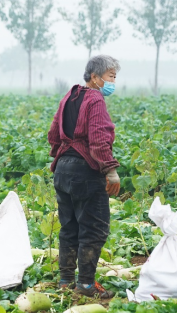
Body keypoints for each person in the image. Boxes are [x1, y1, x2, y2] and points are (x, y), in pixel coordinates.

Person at [47, 55, 121, 298]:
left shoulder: (68, 96)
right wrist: (110, 170)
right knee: (94, 228)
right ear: (95, 77)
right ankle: (86, 285)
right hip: (84, 172)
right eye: (111, 76)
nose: (113, 81)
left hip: (62, 169)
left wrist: (62, 156)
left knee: (69, 228)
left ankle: (66, 281)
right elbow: (99, 138)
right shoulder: (94, 99)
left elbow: (53, 133)